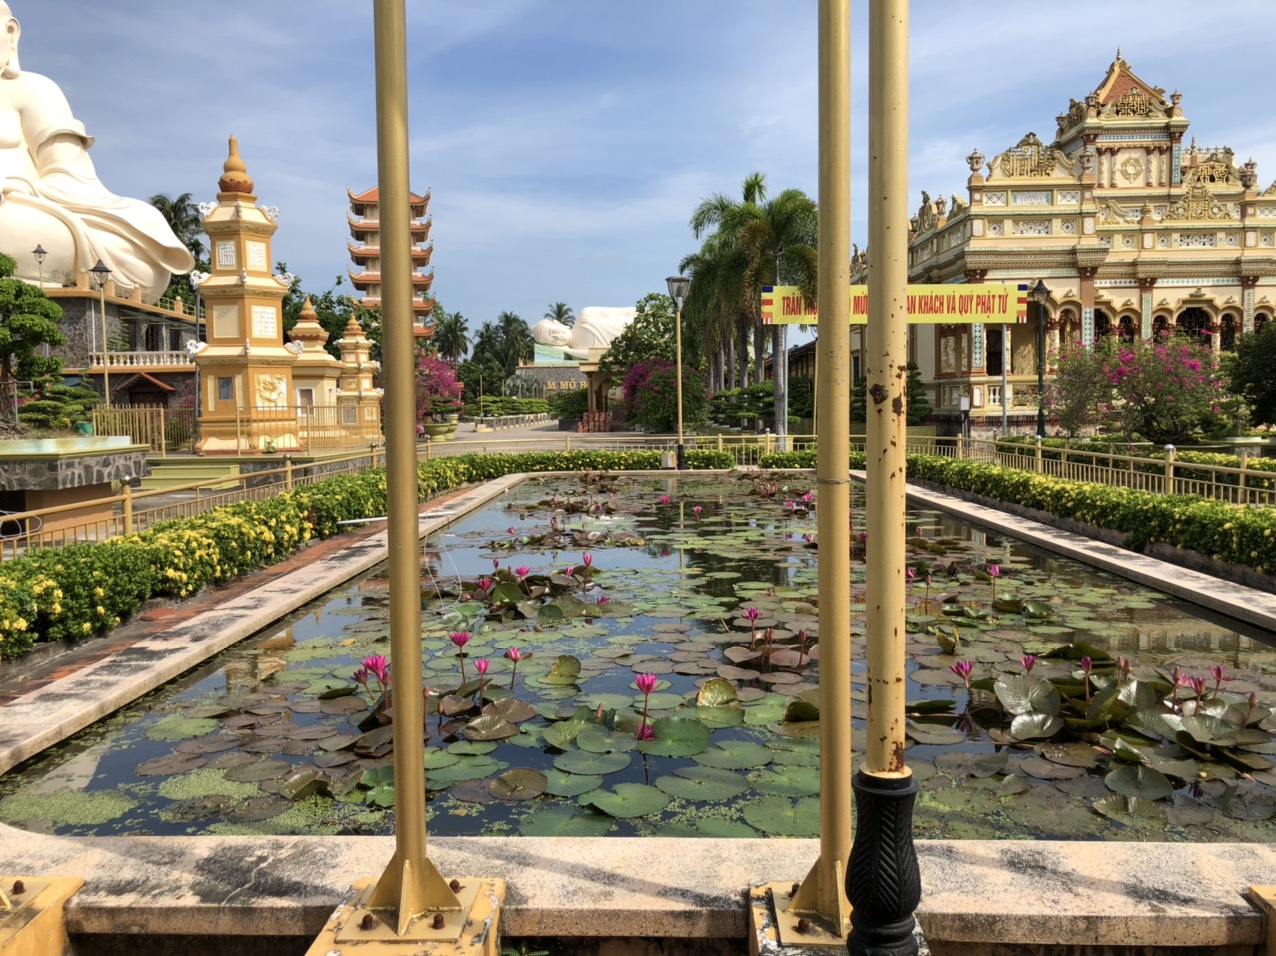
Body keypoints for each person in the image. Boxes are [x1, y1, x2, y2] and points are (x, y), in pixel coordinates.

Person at [0, 2, 194, 297]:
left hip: (23, 211)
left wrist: (16, 185)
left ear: (10, 33)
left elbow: (69, 178)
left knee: (145, 259)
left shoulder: (33, 89)